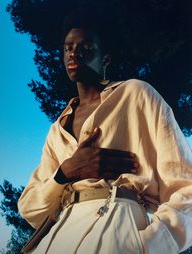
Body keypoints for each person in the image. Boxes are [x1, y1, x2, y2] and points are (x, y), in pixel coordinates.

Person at [18, 10, 192, 254]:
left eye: (85, 46)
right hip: (58, 237)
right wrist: (66, 171)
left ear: (106, 59)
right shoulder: (57, 129)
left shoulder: (137, 94)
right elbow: (30, 209)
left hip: (118, 226)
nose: (74, 53)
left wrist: (148, 245)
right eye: (68, 47)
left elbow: (186, 187)